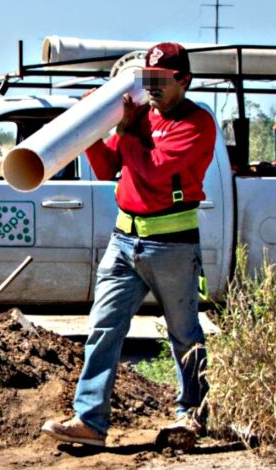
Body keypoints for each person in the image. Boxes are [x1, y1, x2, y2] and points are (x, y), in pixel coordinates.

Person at [41, 42, 216, 448]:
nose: (152, 87)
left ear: (184, 80)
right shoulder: (140, 118)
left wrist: (125, 129)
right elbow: (109, 168)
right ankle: (89, 422)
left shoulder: (196, 123)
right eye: (148, 79)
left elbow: (154, 171)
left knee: (184, 334)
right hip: (125, 240)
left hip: (171, 244)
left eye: (161, 80)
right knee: (103, 327)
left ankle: (192, 416)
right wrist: (88, 129)